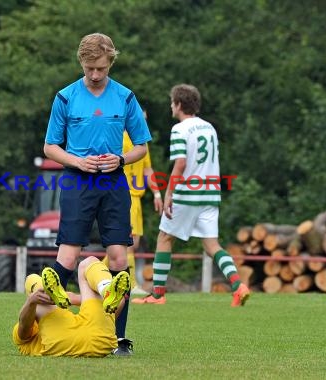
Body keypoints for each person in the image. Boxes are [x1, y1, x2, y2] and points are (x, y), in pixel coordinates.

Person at [43, 33, 152, 355]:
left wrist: (120, 158)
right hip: (77, 182)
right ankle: (54, 326)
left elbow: (142, 147)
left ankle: (119, 338)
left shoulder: (126, 97)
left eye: (101, 69)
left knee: (119, 258)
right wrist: (77, 160)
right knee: (67, 256)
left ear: (110, 64)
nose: (94, 75)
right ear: (81, 63)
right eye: (89, 68)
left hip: (114, 182)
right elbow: (49, 146)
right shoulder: (65, 97)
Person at [132, 84, 250, 307]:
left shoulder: (180, 129)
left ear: (178, 104)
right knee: (212, 245)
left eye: (172, 102)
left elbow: (181, 164)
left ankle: (157, 295)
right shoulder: (209, 128)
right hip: (211, 193)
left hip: (188, 193)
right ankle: (238, 286)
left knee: (165, 238)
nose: (170, 106)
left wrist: (169, 194)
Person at [12, 257, 130, 357]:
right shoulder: (35, 310)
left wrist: (31, 301)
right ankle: (106, 289)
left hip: (61, 342)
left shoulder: (36, 311)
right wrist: (32, 301)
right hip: (102, 341)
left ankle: (48, 293)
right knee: (89, 263)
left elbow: (24, 328)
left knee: (31, 280)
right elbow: (119, 305)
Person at [103, 109, 164, 296]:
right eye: (141, 119)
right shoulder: (120, 139)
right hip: (123, 195)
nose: (143, 123)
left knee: (132, 243)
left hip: (135, 198)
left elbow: (148, 170)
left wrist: (157, 194)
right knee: (127, 242)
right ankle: (130, 283)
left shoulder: (141, 143)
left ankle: (95, 272)